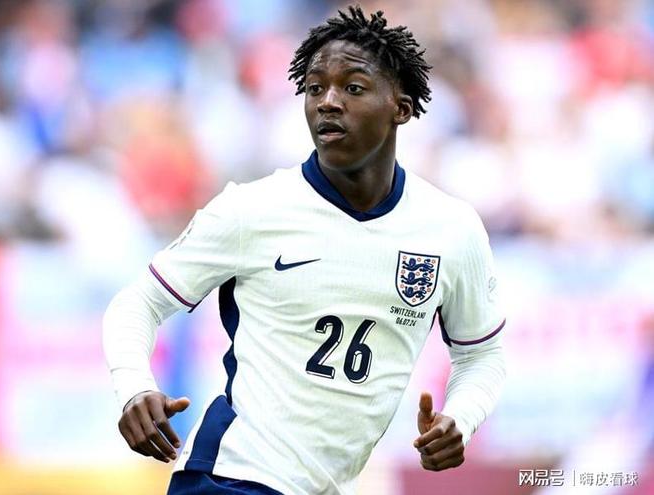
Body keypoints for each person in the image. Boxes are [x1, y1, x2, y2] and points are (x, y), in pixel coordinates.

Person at [103, 6, 507, 495]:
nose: (328, 102)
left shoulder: (451, 229)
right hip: (232, 477)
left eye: (352, 88)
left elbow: (482, 356)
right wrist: (135, 387)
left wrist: (460, 418)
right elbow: (138, 303)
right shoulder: (252, 209)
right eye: (315, 88)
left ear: (400, 108)